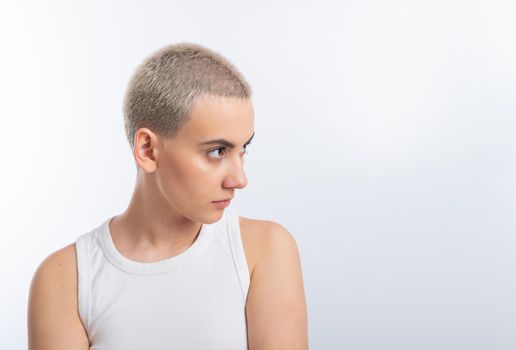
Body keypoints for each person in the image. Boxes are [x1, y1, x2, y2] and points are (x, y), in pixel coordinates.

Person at [27, 43, 308, 349]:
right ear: (147, 149)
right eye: (217, 151)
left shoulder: (262, 251)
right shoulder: (65, 281)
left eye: (244, 150)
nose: (239, 179)